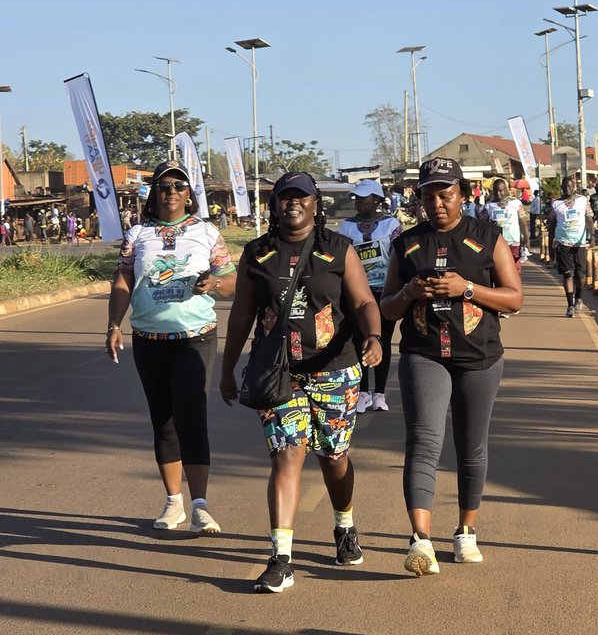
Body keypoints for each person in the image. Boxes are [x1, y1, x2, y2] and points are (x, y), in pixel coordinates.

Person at [220, 171, 382, 594]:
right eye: (284, 197)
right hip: (279, 373)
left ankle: (344, 526)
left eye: (301, 197)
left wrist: (374, 337)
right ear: (274, 205)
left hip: (335, 370)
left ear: (315, 204)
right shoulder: (257, 254)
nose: (292, 203)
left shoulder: (338, 249)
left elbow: (363, 300)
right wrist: (226, 368)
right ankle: (281, 558)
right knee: (287, 455)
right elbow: (241, 316)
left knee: (334, 457)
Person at [380, 156, 522, 576]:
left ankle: (465, 531)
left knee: (471, 445)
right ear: (418, 199)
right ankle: (420, 540)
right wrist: (409, 291)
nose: (438, 204)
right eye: (429, 196)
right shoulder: (406, 243)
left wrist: (468, 288)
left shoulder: (487, 235)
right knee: (424, 441)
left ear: (463, 194)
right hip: (424, 354)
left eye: (446, 194)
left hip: (479, 357)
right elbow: (387, 309)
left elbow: (514, 298)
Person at [106, 161, 236, 534]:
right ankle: (173, 502)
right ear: (155, 193)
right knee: (163, 420)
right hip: (149, 340)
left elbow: (232, 281)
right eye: (164, 185)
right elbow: (123, 280)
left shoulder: (207, 232)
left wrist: (214, 284)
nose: (172, 191)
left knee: (191, 416)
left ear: (189, 193)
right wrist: (114, 325)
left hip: (195, 337)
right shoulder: (138, 234)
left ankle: (200, 506)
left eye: (179, 185)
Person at [336, 178, 402, 412]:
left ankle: (379, 393)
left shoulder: (391, 224)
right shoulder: (346, 226)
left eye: (365, 198)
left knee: (381, 339)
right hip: (356, 292)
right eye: (358, 198)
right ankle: (362, 392)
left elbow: (398, 255)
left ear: (377, 200)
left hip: (384, 291)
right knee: (358, 340)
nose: (360, 203)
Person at [548, 175, 594, 316]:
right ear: (561, 188)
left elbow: (589, 218)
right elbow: (552, 225)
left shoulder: (582, 200)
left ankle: (578, 297)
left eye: (570, 186)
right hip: (563, 242)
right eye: (565, 186)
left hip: (579, 243)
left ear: (574, 187)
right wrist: (551, 245)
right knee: (568, 274)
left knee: (580, 275)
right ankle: (570, 306)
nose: (568, 189)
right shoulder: (556, 204)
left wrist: (592, 236)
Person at [482, 177, 528, 273]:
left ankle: (517, 287)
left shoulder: (516, 203)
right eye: (496, 191)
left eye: (501, 191)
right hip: (497, 244)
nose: (498, 194)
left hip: (514, 243)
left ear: (506, 190)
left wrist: (526, 241)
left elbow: (523, 223)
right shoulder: (489, 206)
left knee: (516, 271)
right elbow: (483, 225)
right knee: (501, 272)